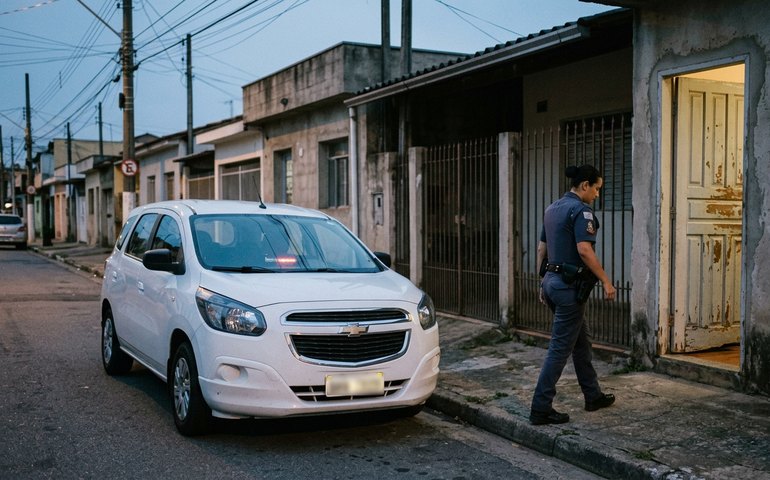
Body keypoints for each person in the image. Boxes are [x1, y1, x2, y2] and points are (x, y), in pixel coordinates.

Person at [529, 164, 617, 425]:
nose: (597, 195)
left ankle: (593, 396)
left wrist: (542, 282)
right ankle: (540, 407)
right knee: (559, 348)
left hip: (552, 282)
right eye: (597, 189)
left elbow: (541, 249)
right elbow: (584, 250)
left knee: (581, 342)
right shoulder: (581, 211)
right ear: (585, 186)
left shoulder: (552, 208)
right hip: (568, 288)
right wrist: (606, 281)